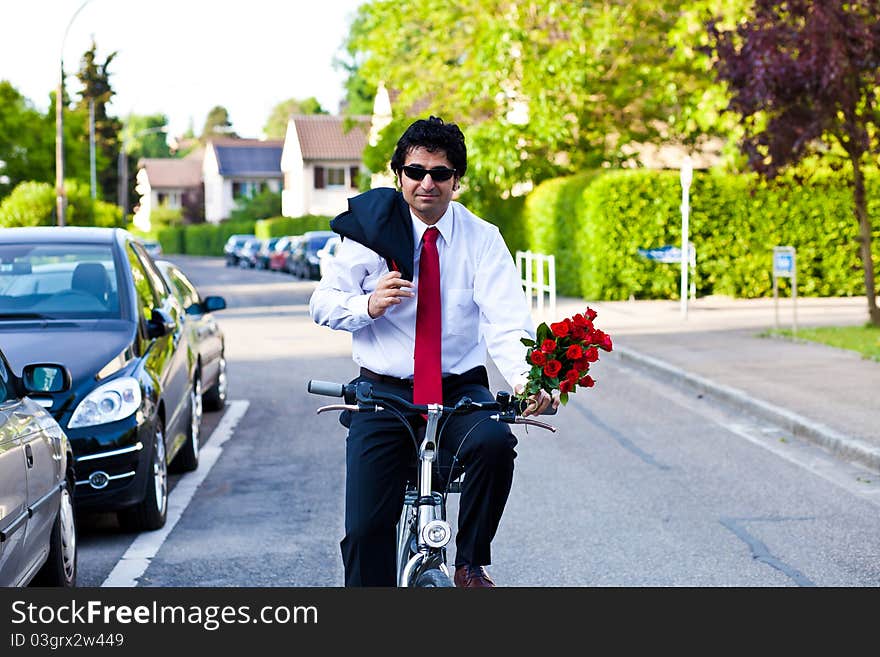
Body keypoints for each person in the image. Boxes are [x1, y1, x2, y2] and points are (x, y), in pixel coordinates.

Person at [310, 116, 558, 587]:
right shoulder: (369, 232)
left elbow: (506, 322)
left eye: (440, 174)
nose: (427, 183)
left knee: (495, 444)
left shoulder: (482, 239)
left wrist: (529, 377)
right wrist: (369, 304)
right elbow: (322, 303)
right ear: (398, 175)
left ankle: (468, 564)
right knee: (365, 532)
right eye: (415, 171)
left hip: (459, 389)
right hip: (383, 395)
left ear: (456, 181)